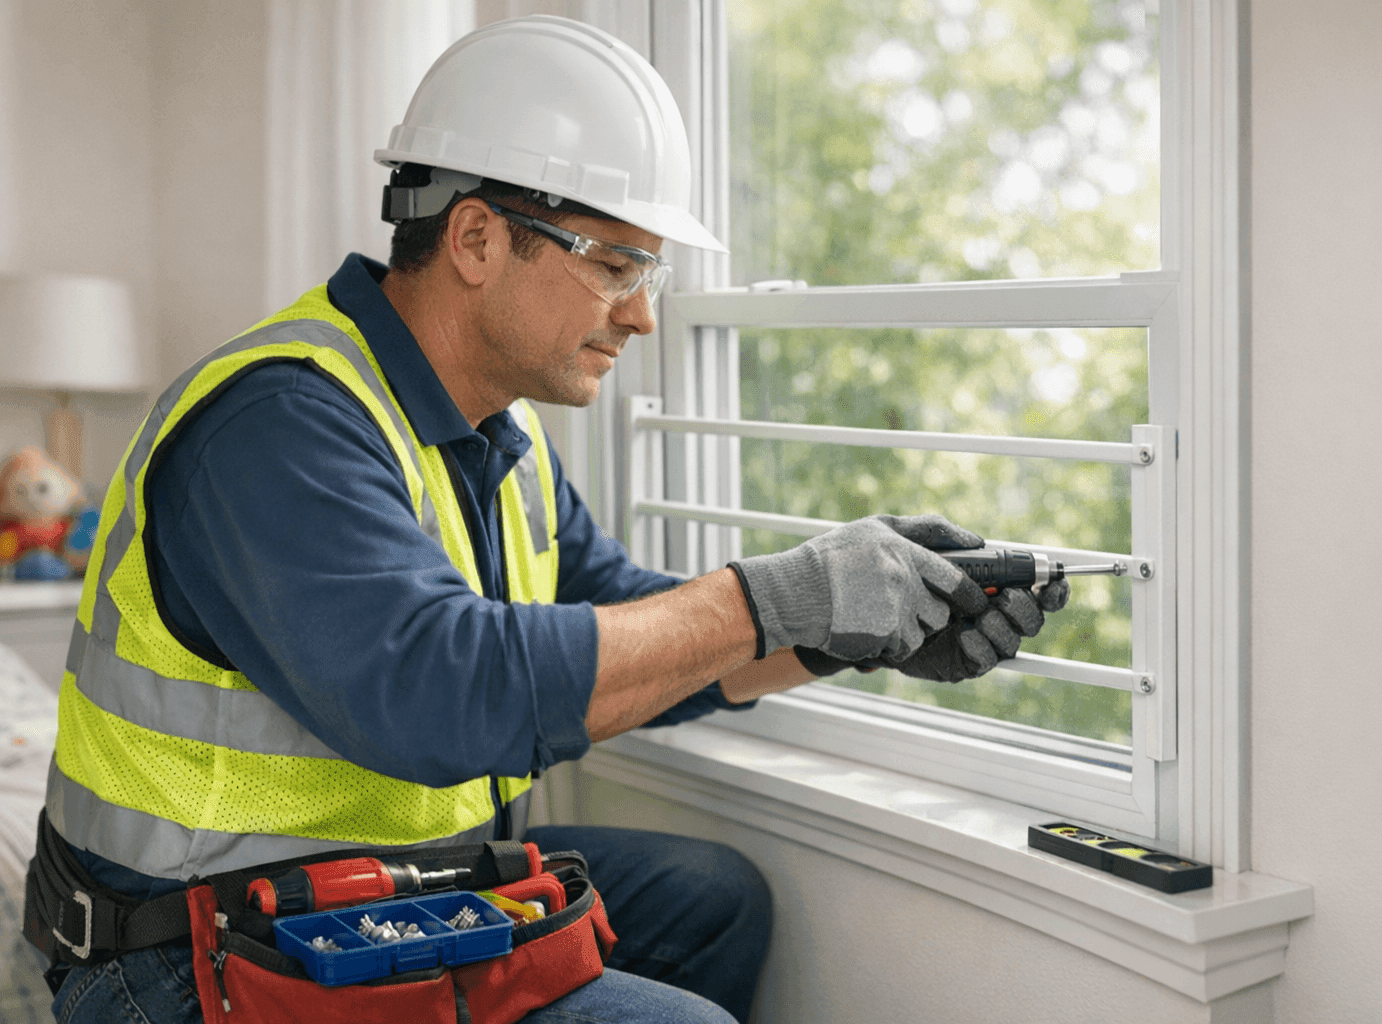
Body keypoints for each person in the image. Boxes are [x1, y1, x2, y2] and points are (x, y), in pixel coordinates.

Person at [33, 16, 1067, 1024]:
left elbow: (633, 634)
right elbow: (437, 690)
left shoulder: (494, 439)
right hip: (183, 953)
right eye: (616, 266)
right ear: (478, 237)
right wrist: (779, 596)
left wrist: (846, 632)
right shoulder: (279, 426)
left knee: (714, 898)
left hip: (373, 895)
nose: (644, 314)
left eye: (648, 273)